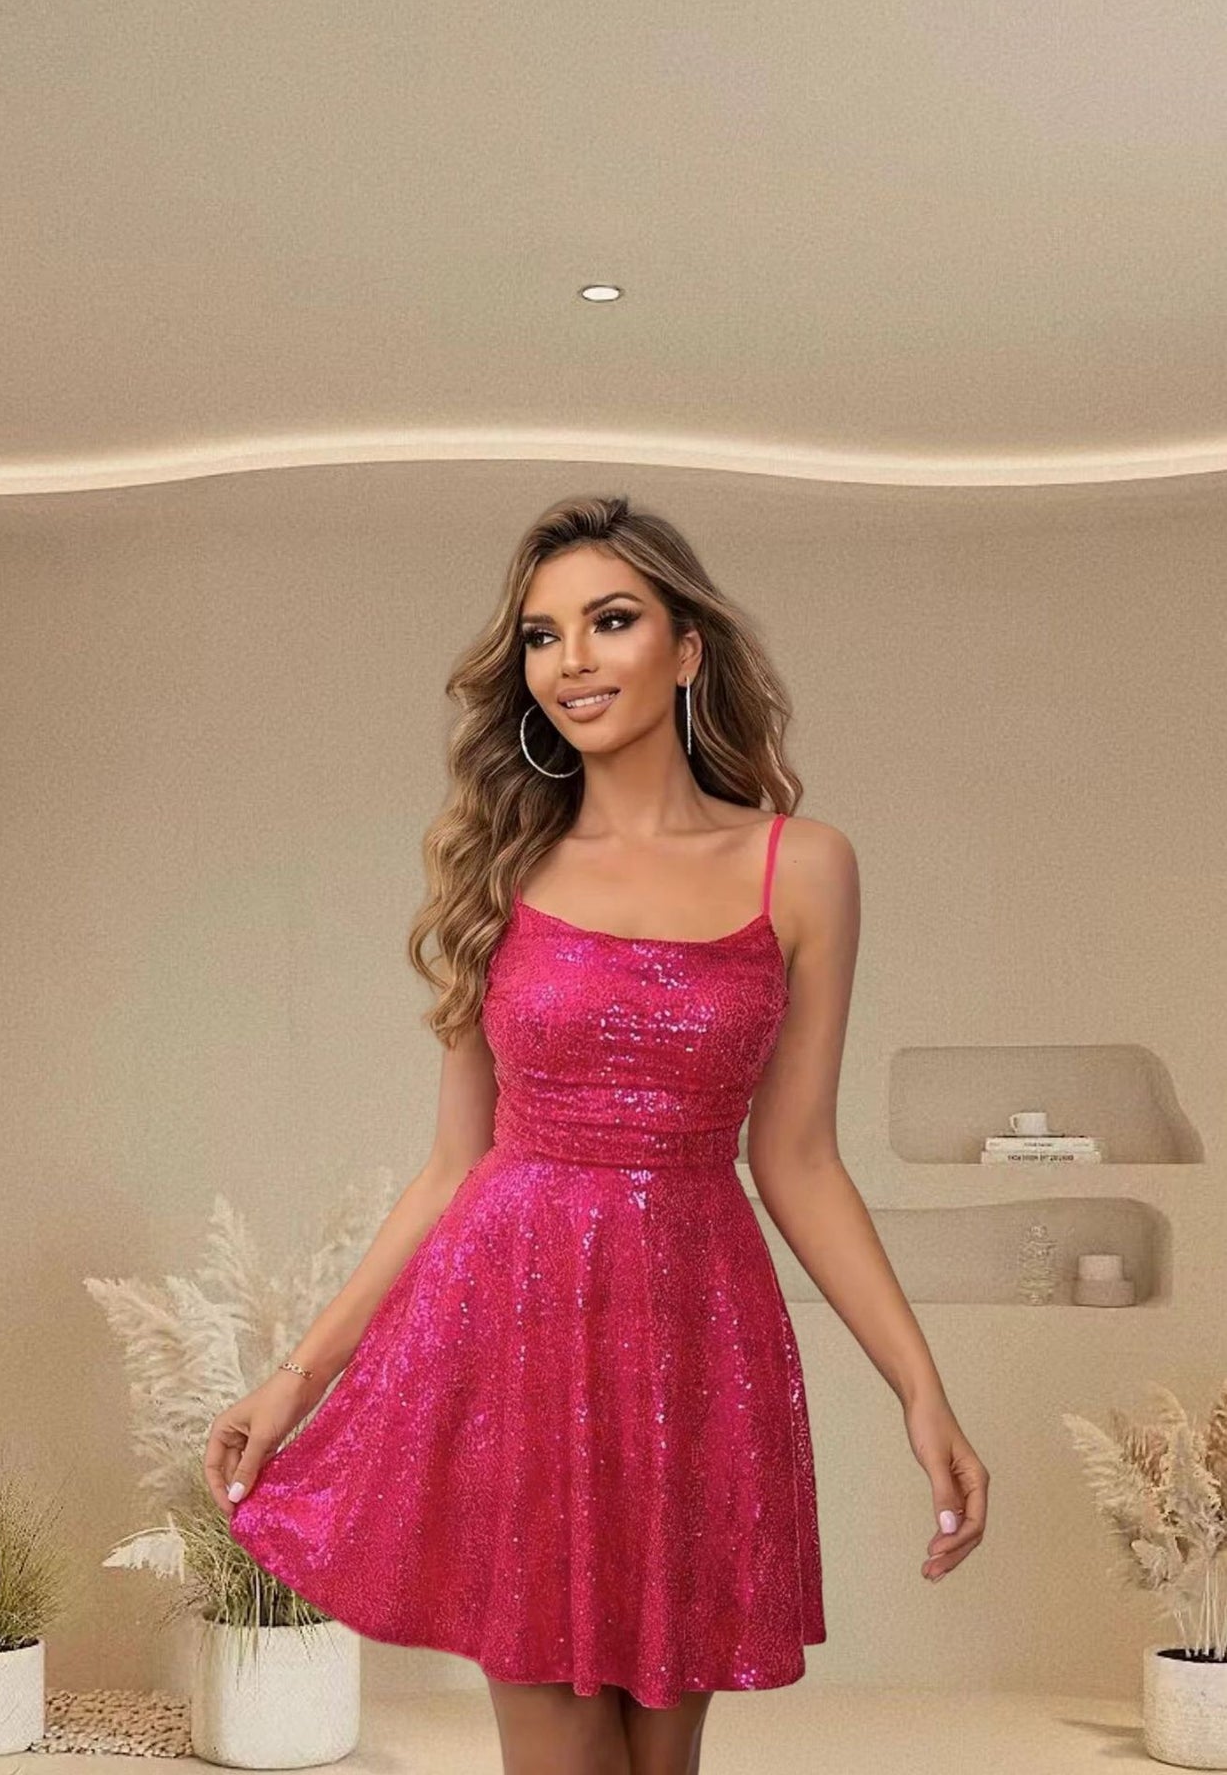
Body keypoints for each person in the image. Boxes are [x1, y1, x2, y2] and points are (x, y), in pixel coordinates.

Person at [204, 493, 989, 1775]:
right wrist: (296, 1380)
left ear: (686, 650)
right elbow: (454, 1168)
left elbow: (795, 1158)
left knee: (660, 1763)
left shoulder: (803, 867)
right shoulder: (499, 872)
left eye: (609, 621)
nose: (570, 659)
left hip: (697, 1340)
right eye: (541, 634)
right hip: (516, 1333)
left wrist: (919, 1388)